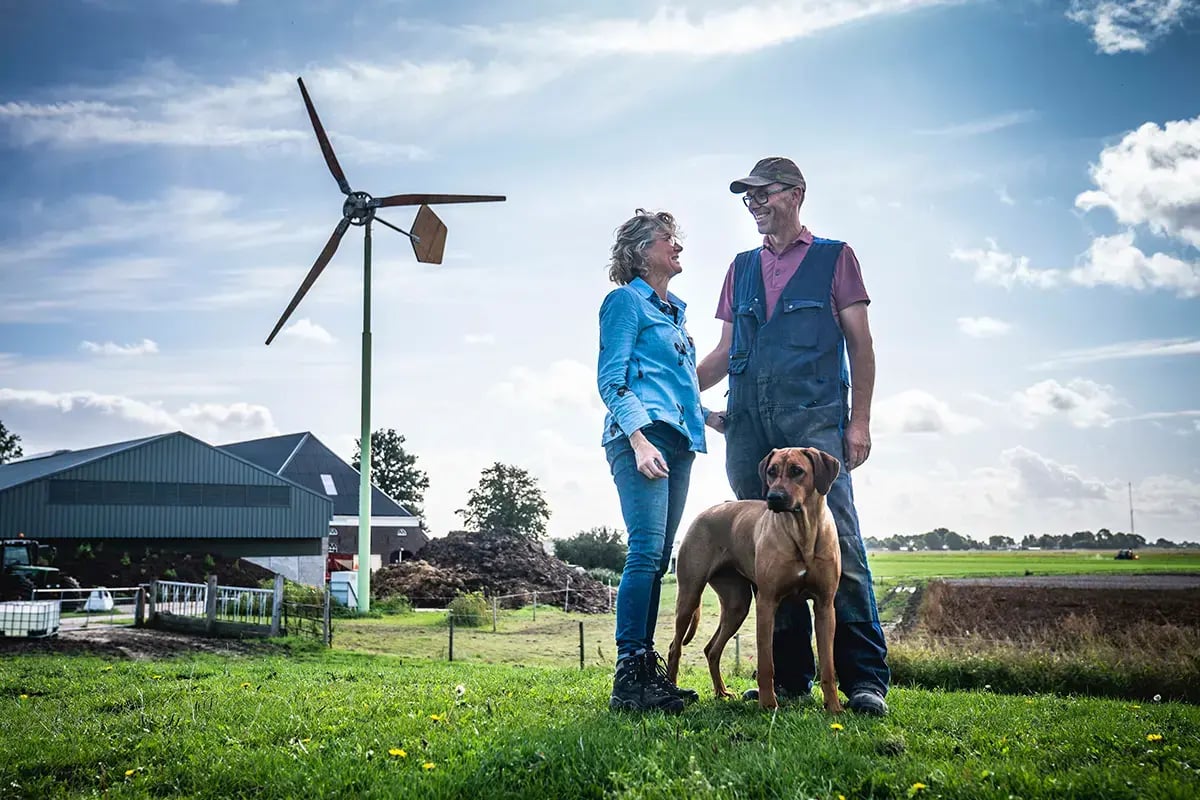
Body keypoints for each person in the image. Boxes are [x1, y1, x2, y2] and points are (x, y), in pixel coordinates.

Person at [696, 157, 891, 716]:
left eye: (763, 193)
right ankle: (788, 678)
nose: (754, 203)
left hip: (817, 424)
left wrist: (859, 421)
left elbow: (862, 344)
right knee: (767, 554)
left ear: (796, 193)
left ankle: (863, 679)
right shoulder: (739, 268)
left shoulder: (835, 258)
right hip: (751, 431)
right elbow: (723, 354)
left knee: (842, 547)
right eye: (747, 197)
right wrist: (676, 389)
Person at [597, 209, 720, 713]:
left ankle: (648, 673)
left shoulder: (675, 315)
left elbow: (674, 387)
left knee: (660, 556)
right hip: (640, 439)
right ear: (640, 250)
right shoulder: (624, 302)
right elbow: (613, 380)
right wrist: (640, 439)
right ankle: (629, 675)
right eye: (670, 239)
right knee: (645, 552)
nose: (678, 247)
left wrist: (711, 417)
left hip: (679, 440)